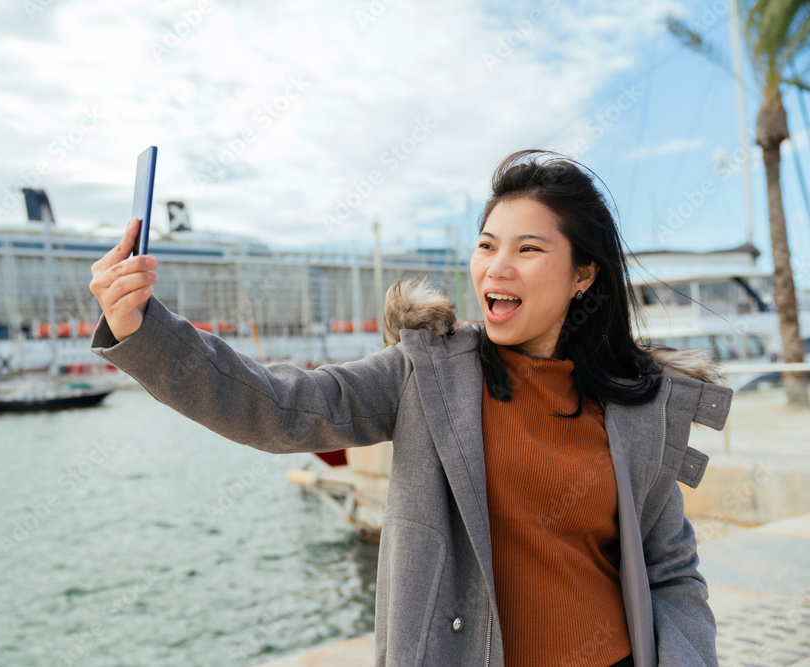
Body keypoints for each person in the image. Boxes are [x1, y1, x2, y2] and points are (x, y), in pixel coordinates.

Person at [88, 149, 731, 666]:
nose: (496, 268)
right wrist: (146, 330)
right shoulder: (428, 374)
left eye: (528, 249)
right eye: (487, 245)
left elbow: (671, 572)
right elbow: (280, 405)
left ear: (583, 275)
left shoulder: (637, 404)